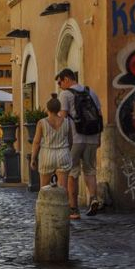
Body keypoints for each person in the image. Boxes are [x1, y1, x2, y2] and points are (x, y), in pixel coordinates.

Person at [56, 68, 103, 219]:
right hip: (92, 137)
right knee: (90, 170)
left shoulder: (65, 94)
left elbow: (63, 117)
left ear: (66, 79)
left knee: (72, 173)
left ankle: (74, 209)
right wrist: (99, 137)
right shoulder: (91, 92)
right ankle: (94, 198)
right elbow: (99, 115)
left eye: (60, 82)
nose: (59, 85)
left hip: (75, 138)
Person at [31, 95, 73, 190]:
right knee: (63, 189)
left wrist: (33, 158)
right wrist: (67, 150)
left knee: (44, 188)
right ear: (59, 109)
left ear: (47, 108)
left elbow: (36, 142)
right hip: (63, 153)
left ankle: (45, 204)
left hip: (47, 154)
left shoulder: (42, 123)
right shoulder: (67, 122)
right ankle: (62, 204)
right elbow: (70, 140)